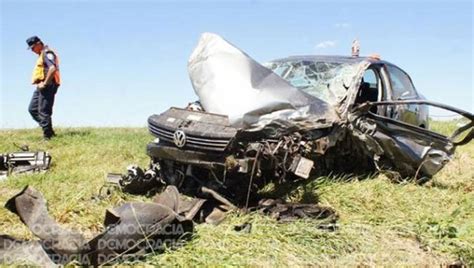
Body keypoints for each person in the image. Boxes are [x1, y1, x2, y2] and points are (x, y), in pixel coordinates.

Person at [26, 36, 61, 140]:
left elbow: (52, 68)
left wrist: (45, 83)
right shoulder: (42, 54)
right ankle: (49, 131)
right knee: (32, 109)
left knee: (43, 110)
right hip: (41, 85)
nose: (32, 50)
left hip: (48, 84)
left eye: (33, 47)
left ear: (38, 44)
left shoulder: (47, 53)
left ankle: (48, 136)